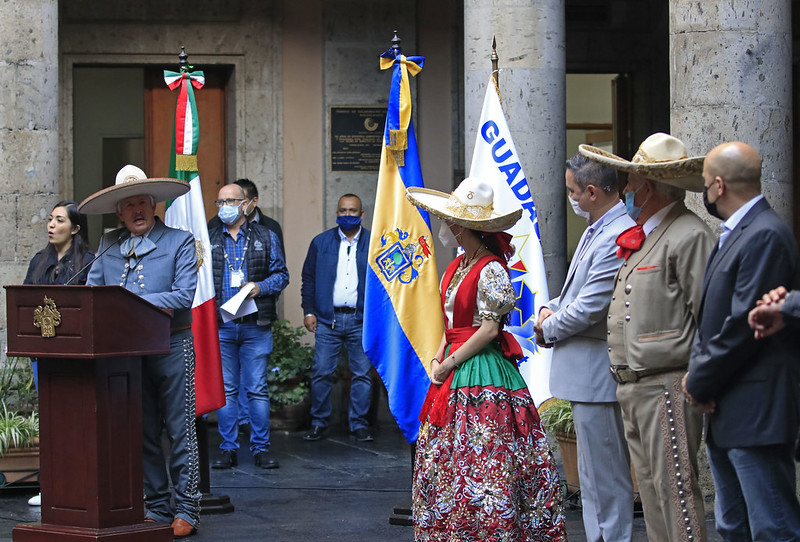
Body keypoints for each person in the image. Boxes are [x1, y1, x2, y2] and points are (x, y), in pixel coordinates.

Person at [407, 177, 566, 541]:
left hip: (482, 366)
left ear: (463, 225)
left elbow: (490, 329)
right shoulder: (458, 265)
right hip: (453, 358)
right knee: (450, 456)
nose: (447, 226)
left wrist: (448, 364)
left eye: (452, 220)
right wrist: (437, 357)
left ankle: (491, 528)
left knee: (487, 455)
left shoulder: (491, 267)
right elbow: (448, 323)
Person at [580, 133, 714, 542]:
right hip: (635, 385)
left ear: (649, 187)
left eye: (633, 183)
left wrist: (702, 378)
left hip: (667, 381)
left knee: (676, 493)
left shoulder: (688, 234)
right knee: (654, 494)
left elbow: (708, 316)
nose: (627, 191)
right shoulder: (647, 235)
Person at [683, 142, 800, 540]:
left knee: (772, 526)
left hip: (756, 410)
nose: (704, 191)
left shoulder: (765, 234)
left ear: (718, 185)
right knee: (733, 525)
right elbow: (710, 318)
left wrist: (698, 382)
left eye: (703, 183)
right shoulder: (735, 233)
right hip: (728, 407)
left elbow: (742, 324)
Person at [79, 165, 201, 539]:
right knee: (144, 431)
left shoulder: (180, 241)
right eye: (129, 204)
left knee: (180, 430)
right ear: (119, 211)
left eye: (142, 202)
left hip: (171, 343)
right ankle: (158, 505)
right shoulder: (108, 244)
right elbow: (91, 294)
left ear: (154, 205)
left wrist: (127, 301)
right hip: (127, 352)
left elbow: (183, 296)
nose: (137, 210)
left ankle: (188, 508)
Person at [534, 154, 635, 542]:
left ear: (591, 192)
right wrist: (549, 308)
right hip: (587, 376)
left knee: (605, 480)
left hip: (598, 374)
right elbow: (575, 294)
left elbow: (592, 307)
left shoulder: (615, 234)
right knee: (593, 480)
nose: (571, 197)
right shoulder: (599, 227)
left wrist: (548, 329)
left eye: (573, 191)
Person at [208, 183, 289, 470]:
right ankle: (228, 448)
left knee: (256, 389)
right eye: (220, 202)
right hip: (221, 325)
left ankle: (261, 448)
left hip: (256, 324)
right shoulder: (208, 237)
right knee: (228, 389)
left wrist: (260, 286)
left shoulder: (266, 236)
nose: (225, 206)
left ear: (246, 204)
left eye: (231, 201)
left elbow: (282, 275)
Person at [23, 199, 93, 507]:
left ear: (75, 228)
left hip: (76, 357)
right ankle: (51, 485)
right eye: (50, 219)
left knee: (78, 421)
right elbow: (24, 302)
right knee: (51, 421)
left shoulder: (90, 261)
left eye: (59, 220)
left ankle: (83, 485)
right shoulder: (39, 260)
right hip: (44, 356)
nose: (51, 225)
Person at [301, 194, 373, 442]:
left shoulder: (375, 243)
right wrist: (308, 311)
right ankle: (319, 423)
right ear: (336, 213)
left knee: (362, 374)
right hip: (327, 320)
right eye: (342, 211)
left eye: (352, 211)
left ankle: (359, 424)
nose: (347, 215)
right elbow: (308, 279)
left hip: (360, 320)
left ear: (362, 214)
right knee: (321, 372)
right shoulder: (321, 243)